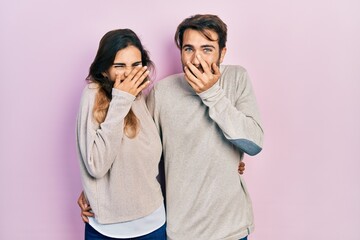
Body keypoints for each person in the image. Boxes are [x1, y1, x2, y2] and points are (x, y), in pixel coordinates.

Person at [79, 13, 262, 240]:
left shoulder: (237, 78)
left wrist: (211, 94)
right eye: (188, 49)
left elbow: (254, 144)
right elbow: (138, 151)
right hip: (180, 230)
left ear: (222, 53)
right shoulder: (161, 92)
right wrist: (97, 192)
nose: (196, 60)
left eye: (207, 49)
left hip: (231, 228)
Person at [76, 28, 166, 239]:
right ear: (105, 69)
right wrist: (121, 100)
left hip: (153, 224)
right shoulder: (92, 95)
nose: (129, 73)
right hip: (107, 230)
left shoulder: (141, 97)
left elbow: (149, 159)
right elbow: (96, 166)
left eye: (136, 65)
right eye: (119, 66)